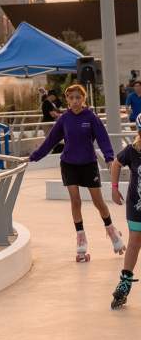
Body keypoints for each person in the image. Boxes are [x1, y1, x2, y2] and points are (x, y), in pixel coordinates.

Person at [29, 83, 124, 262]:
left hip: (88, 164)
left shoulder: (91, 117)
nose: (74, 101)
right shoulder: (64, 119)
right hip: (69, 164)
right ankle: (81, 237)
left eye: (78, 98)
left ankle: (112, 231)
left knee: (98, 202)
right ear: (67, 100)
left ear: (83, 99)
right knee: (75, 201)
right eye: (71, 98)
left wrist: (110, 158)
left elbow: (103, 139)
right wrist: (34, 157)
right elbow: (50, 141)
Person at [110, 113, 141, 308]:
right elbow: (116, 163)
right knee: (134, 241)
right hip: (136, 206)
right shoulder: (132, 151)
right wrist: (114, 188)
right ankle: (125, 284)